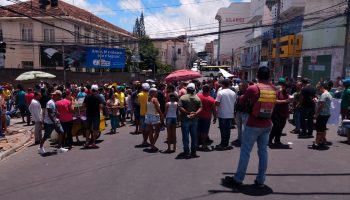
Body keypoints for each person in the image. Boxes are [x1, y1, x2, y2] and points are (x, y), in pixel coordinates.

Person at [224, 66, 277, 188]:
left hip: (253, 124)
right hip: (267, 123)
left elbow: (242, 102)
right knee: (263, 152)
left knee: (245, 152)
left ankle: (238, 179)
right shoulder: (274, 89)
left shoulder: (253, 88)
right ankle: (260, 180)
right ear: (269, 76)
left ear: (257, 75)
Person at [178, 83, 202, 158]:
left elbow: (180, 107)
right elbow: (201, 107)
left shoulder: (182, 98)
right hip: (194, 119)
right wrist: (195, 113)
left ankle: (186, 152)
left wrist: (188, 113)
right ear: (194, 90)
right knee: (194, 136)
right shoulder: (197, 98)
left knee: (185, 137)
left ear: (187, 90)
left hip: (185, 119)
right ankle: (194, 152)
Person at [215, 79, 236, 150]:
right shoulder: (233, 93)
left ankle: (223, 144)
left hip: (222, 114)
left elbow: (217, 103)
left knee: (223, 130)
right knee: (228, 129)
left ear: (223, 85)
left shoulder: (220, 92)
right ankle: (226, 143)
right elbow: (234, 102)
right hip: (230, 113)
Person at [269, 78, 290, 147]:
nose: (288, 90)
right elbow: (274, 101)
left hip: (284, 113)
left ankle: (277, 140)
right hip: (276, 113)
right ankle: (269, 140)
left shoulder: (287, 93)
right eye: (287, 88)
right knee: (276, 127)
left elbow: (288, 101)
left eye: (288, 89)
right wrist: (285, 101)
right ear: (283, 87)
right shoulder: (277, 92)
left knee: (281, 127)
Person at [312, 82, 333, 149]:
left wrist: (316, 113)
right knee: (323, 128)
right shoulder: (328, 94)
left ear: (322, 87)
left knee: (319, 129)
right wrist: (318, 101)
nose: (318, 90)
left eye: (319, 88)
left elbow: (321, 105)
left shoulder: (324, 94)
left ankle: (317, 143)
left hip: (322, 114)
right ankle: (322, 141)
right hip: (326, 113)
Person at [197, 85, 216, 151]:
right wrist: (215, 117)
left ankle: (197, 143)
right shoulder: (211, 99)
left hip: (198, 116)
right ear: (209, 91)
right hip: (207, 117)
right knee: (205, 131)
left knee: (198, 130)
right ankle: (203, 144)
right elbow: (214, 109)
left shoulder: (198, 96)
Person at [145, 88, 163, 152]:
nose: (157, 93)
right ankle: (152, 145)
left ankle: (152, 145)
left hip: (148, 116)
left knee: (150, 132)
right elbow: (157, 108)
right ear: (152, 93)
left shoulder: (148, 99)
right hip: (154, 116)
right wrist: (162, 115)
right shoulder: (155, 99)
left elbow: (146, 108)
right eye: (155, 92)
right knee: (157, 132)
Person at [232, 81, 249, 147]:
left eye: (240, 86)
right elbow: (236, 102)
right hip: (238, 112)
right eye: (239, 86)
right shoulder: (238, 92)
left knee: (245, 128)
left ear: (245, 86)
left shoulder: (248, 93)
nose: (239, 87)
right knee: (239, 127)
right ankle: (239, 139)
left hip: (245, 112)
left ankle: (245, 140)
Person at [136, 83, 150, 147]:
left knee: (143, 129)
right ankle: (145, 141)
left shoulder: (139, 94)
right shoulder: (150, 94)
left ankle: (144, 141)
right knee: (148, 129)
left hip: (142, 113)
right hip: (149, 113)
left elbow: (138, 103)